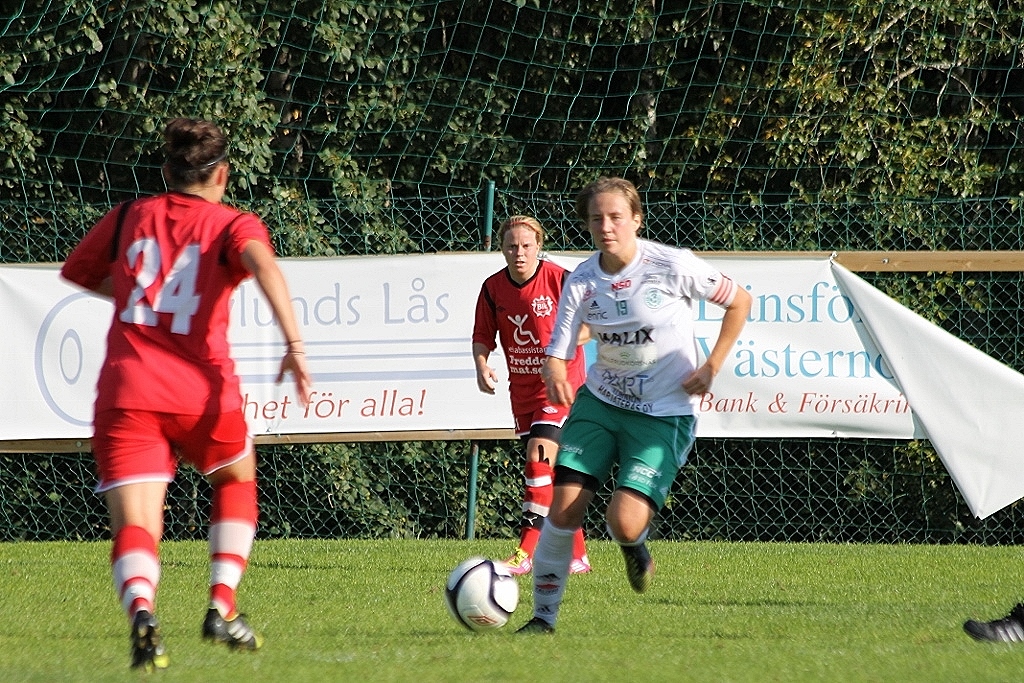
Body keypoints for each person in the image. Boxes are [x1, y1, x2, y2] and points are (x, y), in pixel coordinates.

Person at [60, 118, 313, 670]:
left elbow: (77, 271)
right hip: (202, 393)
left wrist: (138, 296)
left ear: (166, 171)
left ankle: (143, 612)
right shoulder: (234, 223)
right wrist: (294, 343)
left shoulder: (127, 217)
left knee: (137, 523)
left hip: (128, 391)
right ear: (222, 175)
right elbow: (263, 265)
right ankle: (221, 604)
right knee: (235, 478)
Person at [517, 177, 753, 633]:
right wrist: (555, 371)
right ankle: (542, 619)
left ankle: (633, 545)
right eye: (596, 219)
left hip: (664, 413)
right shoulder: (582, 281)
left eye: (616, 217)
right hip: (601, 404)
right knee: (563, 508)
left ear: (636, 220)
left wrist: (711, 366)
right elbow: (558, 350)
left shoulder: (672, 265)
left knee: (623, 523)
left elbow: (740, 302)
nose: (606, 227)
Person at [472, 216, 591, 576]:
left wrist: (559, 351)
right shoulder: (493, 288)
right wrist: (482, 365)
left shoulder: (560, 279)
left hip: (561, 387)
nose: (519, 253)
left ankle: (525, 552)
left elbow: (591, 325)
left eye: (526, 245)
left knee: (538, 464)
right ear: (502, 249)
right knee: (551, 476)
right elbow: (483, 335)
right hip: (522, 392)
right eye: (512, 246)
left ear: (539, 246)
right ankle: (578, 556)